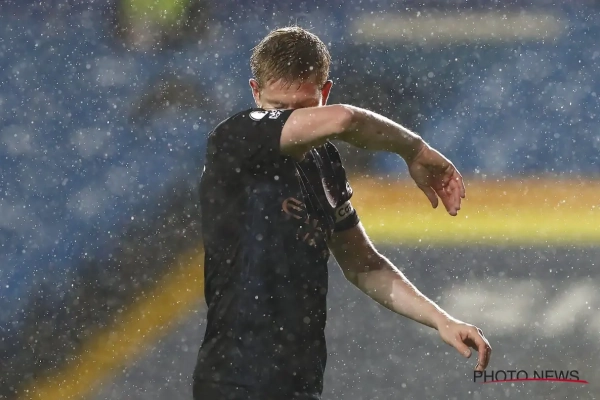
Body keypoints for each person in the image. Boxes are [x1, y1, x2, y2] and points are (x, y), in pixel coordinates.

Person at [194, 26, 492, 400]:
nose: (294, 120)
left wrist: (441, 320)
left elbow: (364, 265)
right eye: (279, 108)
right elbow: (344, 119)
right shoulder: (236, 138)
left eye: (305, 107)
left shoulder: (324, 162)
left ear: (326, 92)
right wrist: (414, 150)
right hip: (236, 380)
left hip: (299, 381)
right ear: (255, 92)